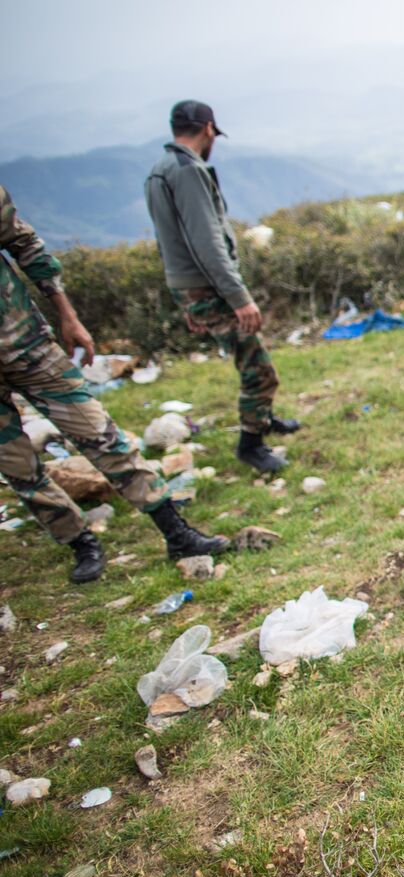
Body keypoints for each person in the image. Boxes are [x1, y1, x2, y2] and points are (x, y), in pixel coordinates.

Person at [0, 185, 228, 584]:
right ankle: (80, 541)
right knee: (17, 466)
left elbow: (24, 244)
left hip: (27, 345)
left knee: (101, 435)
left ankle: (176, 532)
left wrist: (66, 315)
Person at [145, 100, 299, 473]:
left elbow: (169, 243)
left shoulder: (159, 171)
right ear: (209, 129)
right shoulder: (187, 171)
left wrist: (183, 297)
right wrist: (238, 297)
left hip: (193, 287)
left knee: (250, 358)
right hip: (210, 288)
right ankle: (252, 445)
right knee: (258, 368)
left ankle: (262, 419)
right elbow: (207, 242)